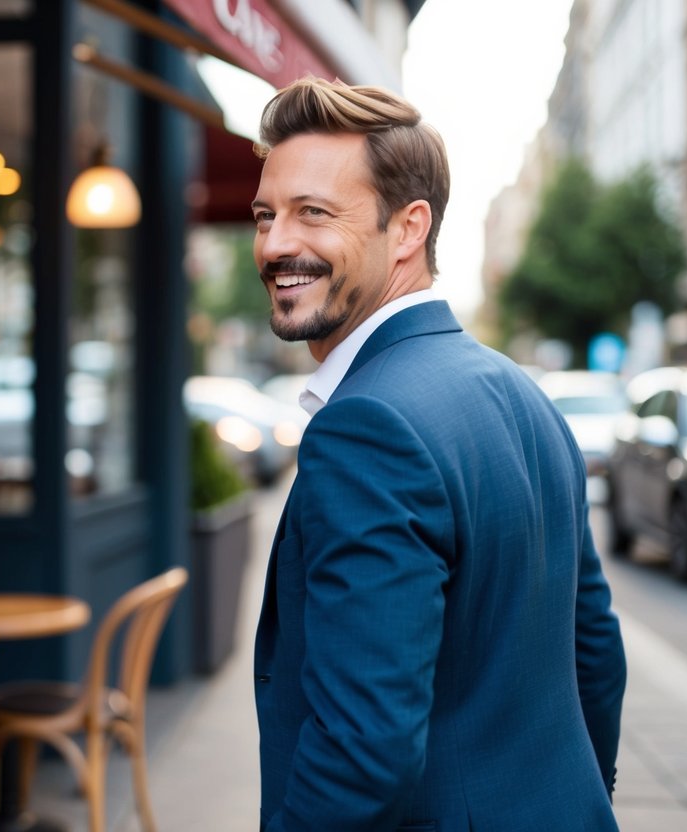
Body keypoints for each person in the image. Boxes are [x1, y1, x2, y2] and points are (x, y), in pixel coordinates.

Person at [250, 77, 626, 831]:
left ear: (407, 229)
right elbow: (595, 659)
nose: (275, 244)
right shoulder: (521, 395)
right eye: (265, 215)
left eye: (313, 214)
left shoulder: (366, 427)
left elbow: (360, 757)